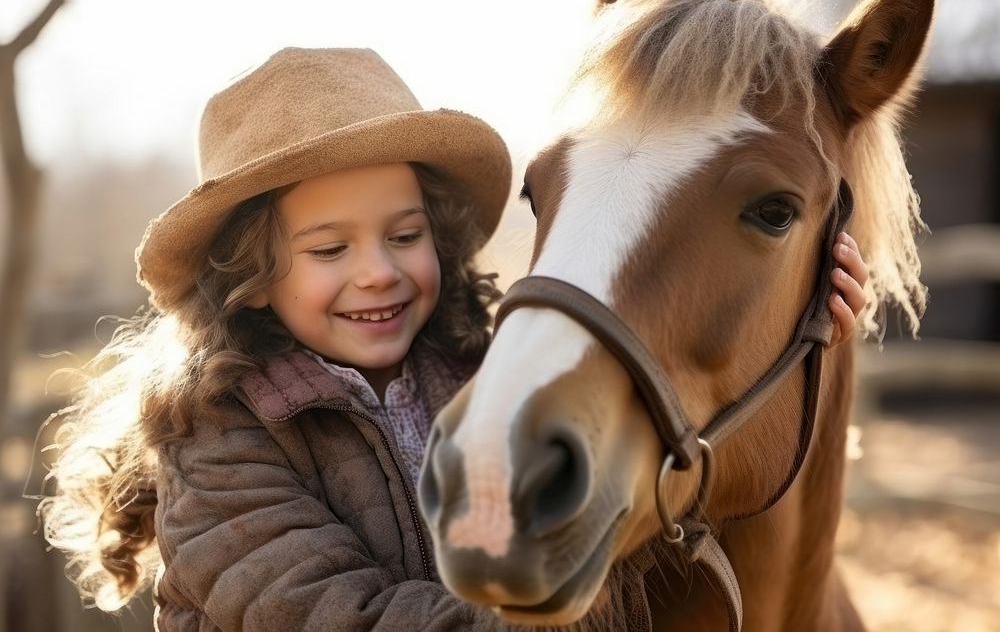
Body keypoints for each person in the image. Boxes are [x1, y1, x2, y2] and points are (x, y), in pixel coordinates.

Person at [38, 47, 868, 631]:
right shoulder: (218, 449)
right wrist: (582, 548)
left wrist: (788, 310)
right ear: (249, 278)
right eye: (331, 249)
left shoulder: (482, 368)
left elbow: (645, 465)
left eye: (405, 235)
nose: (378, 273)